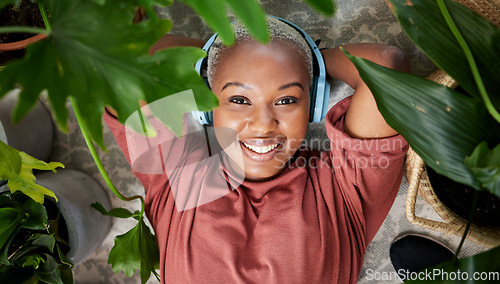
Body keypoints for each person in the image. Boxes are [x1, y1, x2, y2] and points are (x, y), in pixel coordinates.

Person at [105, 17, 410, 283]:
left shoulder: (342, 192)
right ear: (208, 108)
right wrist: (213, 62)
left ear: (312, 104)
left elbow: (387, 67)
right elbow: (127, 63)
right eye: (239, 100)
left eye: (287, 99)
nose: (263, 124)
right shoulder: (179, 177)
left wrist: (310, 61)